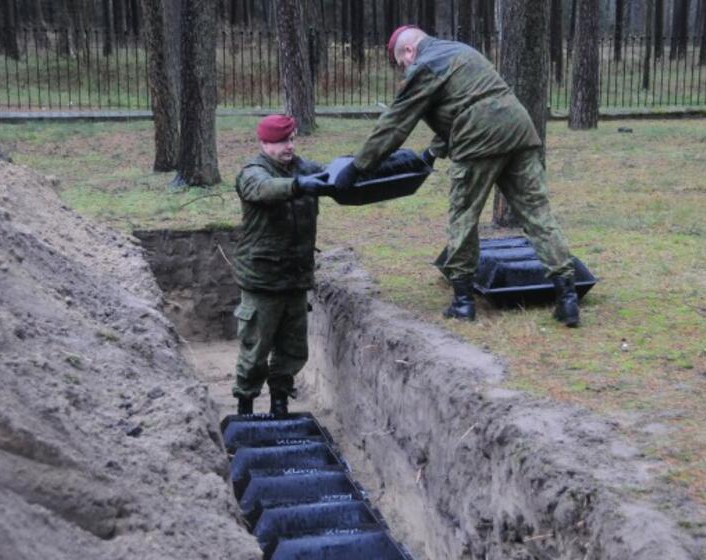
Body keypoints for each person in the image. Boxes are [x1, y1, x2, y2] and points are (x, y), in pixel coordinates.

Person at [333, 26, 581, 327]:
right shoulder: (460, 51)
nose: (404, 69)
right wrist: (431, 153)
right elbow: (463, 103)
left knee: (463, 217)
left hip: (479, 138)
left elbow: (396, 124)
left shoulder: (424, 65)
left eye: (402, 63)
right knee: (538, 215)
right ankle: (567, 297)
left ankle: (463, 302)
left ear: (409, 52)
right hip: (518, 128)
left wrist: (359, 166)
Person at [231, 114, 331, 416]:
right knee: (256, 349)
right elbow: (264, 189)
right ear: (264, 144)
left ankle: (280, 402)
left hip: (295, 278)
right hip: (262, 279)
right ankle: (245, 406)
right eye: (280, 141)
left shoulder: (305, 168)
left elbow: (338, 174)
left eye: (291, 139)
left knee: (292, 349)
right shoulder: (252, 172)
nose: (289, 146)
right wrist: (300, 185)